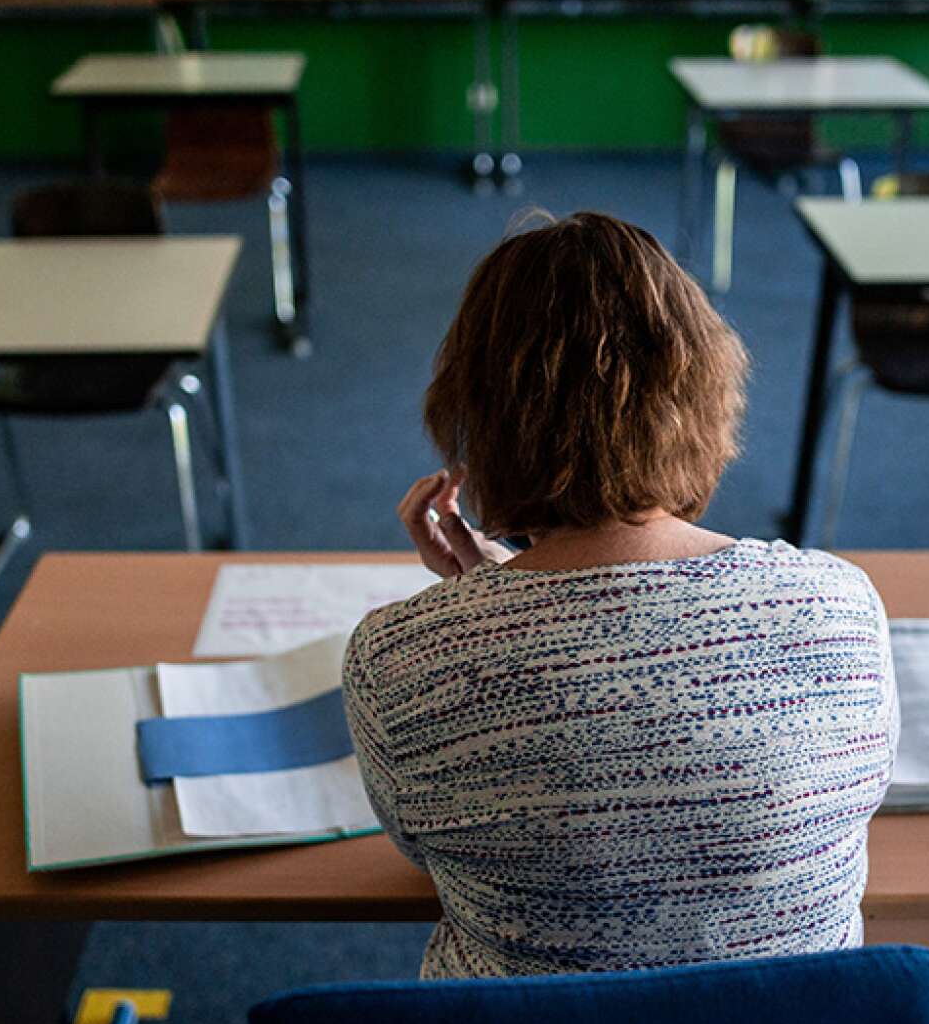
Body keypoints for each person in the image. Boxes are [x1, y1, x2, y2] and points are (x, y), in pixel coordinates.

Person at [343, 211, 899, 980]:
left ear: (477, 419)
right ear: (705, 391)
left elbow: (426, 849)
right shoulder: (839, 608)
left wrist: (478, 618)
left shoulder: (398, 662)